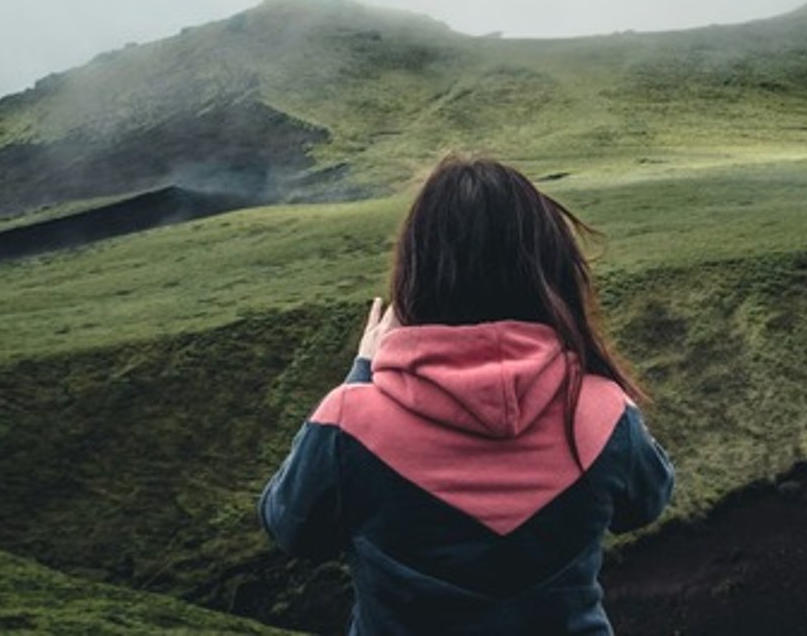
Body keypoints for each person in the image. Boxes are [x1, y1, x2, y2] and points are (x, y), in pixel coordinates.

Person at [259, 154, 675, 635]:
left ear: (418, 273)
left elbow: (290, 528)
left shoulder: (348, 422)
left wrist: (362, 370)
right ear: (547, 272)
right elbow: (646, 502)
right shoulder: (604, 411)